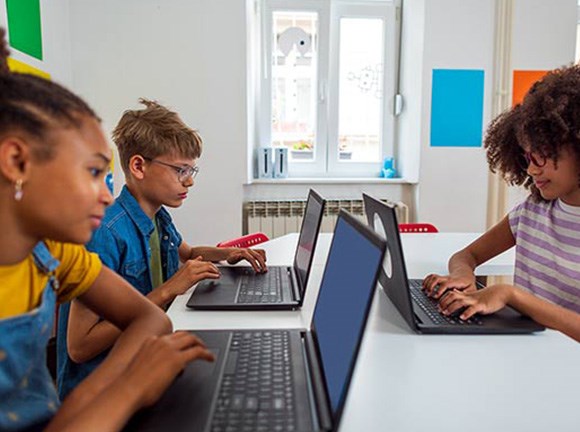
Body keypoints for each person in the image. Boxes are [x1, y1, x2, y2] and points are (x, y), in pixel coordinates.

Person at [0, 28, 215, 432]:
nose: (105, 194)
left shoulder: (54, 255)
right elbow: (82, 347)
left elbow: (150, 319)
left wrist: (87, 404)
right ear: (17, 162)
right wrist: (129, 388)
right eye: (94, 173)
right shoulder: (101, 234)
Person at [57, 99, 267, 397]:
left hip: (145, 356)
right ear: (139, 166)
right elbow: (79, 346)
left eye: (192, 170)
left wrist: (226, 254)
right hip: (104, 391)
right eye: (181, 170)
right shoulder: (105, 234)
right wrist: (169, 289)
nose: (190, 181)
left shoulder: (156, 215)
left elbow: (189, 253)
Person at [422, 64, 580, 343]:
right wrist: (462, 276)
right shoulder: (531, 213)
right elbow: (466, 256)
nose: (531, 170)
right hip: (521, 357)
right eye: (526, 157)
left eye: (542, 155)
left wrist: (511, 295)